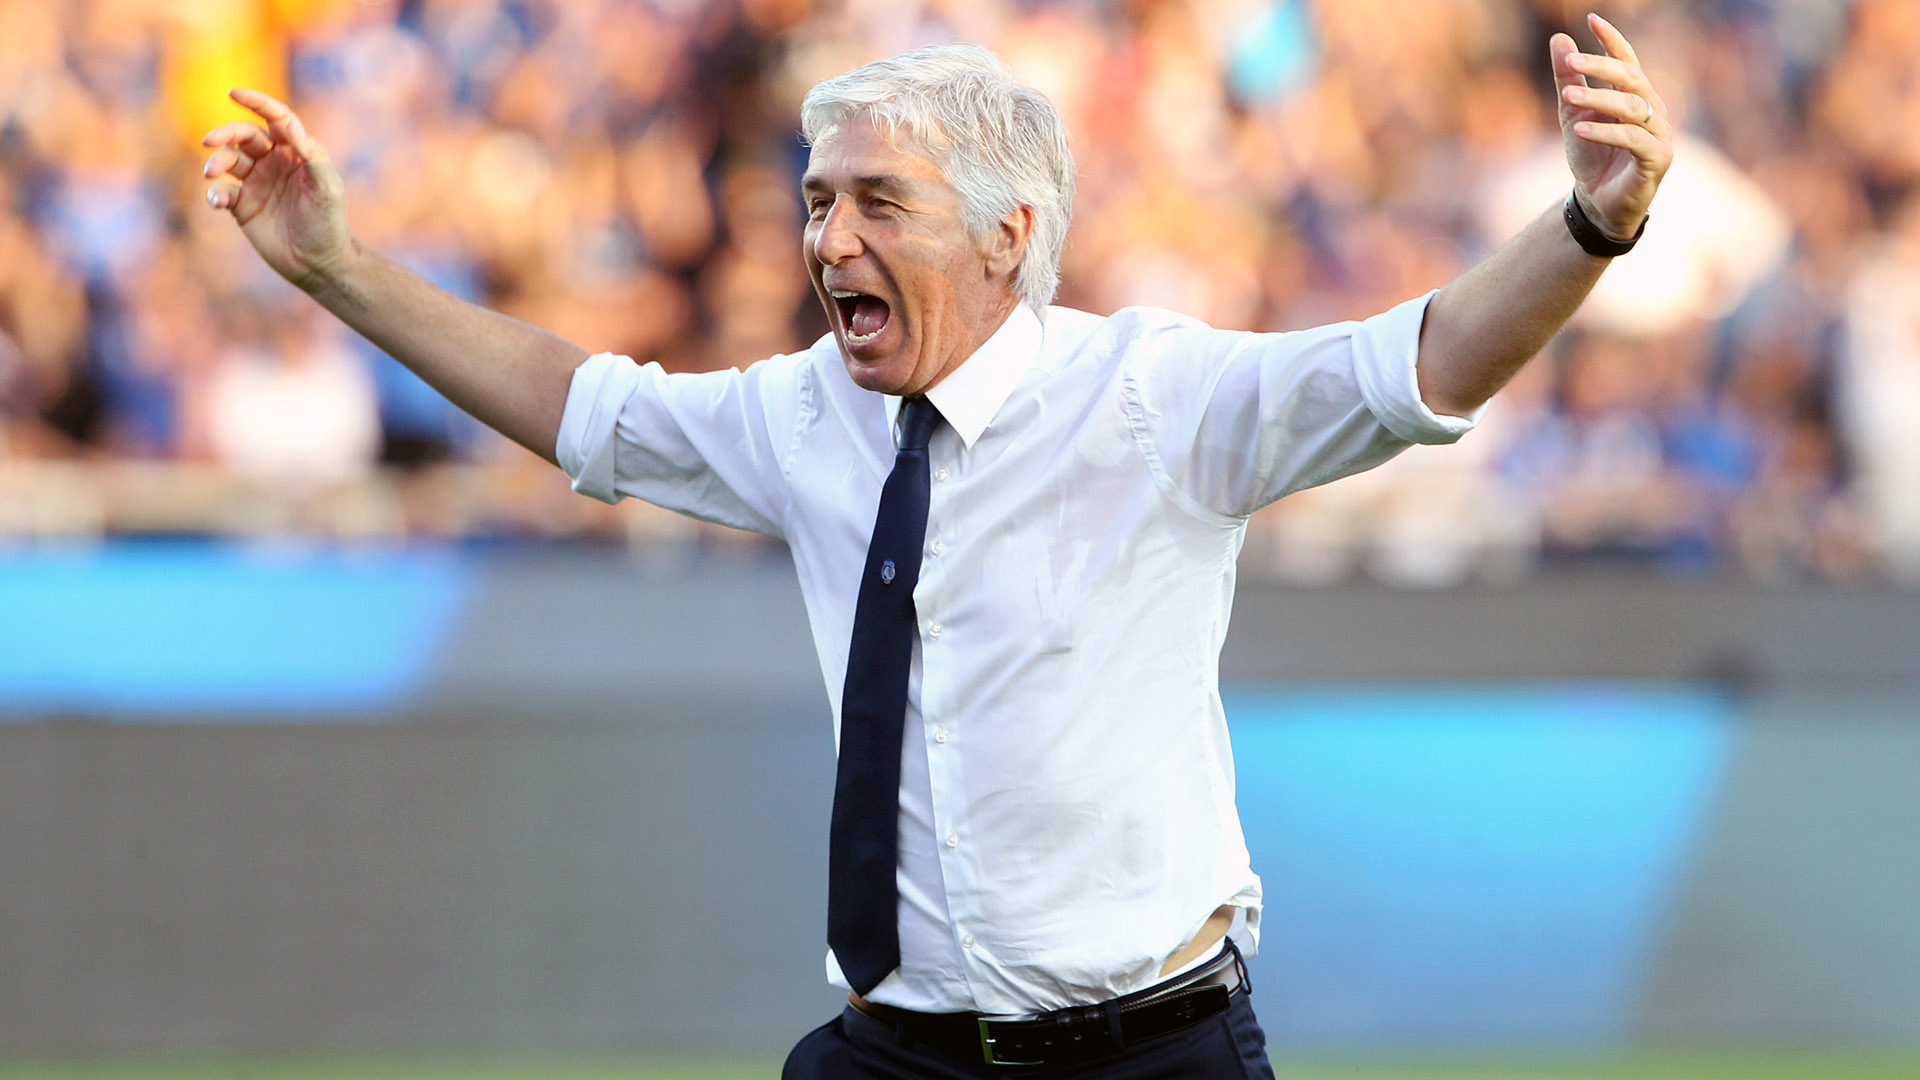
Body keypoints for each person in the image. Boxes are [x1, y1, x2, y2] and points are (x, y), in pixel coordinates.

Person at [201, 13, 1672, 1077]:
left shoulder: (1158, 395)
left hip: (1148, 1057)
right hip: (894, 1057)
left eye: (876, 203)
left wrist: (1592, 226)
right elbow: (580, 407)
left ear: (1004, 235)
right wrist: (334, 265)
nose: (829, 239)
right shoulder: (802, 414)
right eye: (818, 202)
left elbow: (1420, 366)